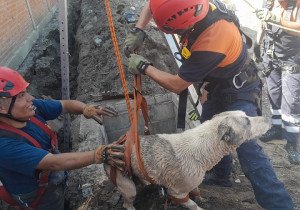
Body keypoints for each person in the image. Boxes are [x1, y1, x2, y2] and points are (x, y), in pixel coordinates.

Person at [123, 0, 294, 209]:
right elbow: (155, 6)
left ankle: (280, 204)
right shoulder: (193, 4)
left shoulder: (214, 38)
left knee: (247, 147)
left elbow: (177, 85)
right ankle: (221, 177)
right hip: (216, 84)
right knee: (211, 134)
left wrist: (144, 67)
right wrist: (139, 29)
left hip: (239, 89)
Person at [0, 66, 125, 209]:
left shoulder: (30, 110)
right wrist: (99, 155)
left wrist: (85, 108)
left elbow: (64, 105)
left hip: (52, 178)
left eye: (25, 92)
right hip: (38, 197)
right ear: (1, 108)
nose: (30, 98)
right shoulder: (4, 145)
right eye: (21, 95)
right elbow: (53, 163)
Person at [254, 0, 300, 165]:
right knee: (274, 94)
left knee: (291, 102)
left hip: (292, 59)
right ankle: (277, 129)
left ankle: (292, 143)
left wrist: (277, 20)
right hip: (271, 56)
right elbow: (262, 24)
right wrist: (257, 44)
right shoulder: (269, 2)